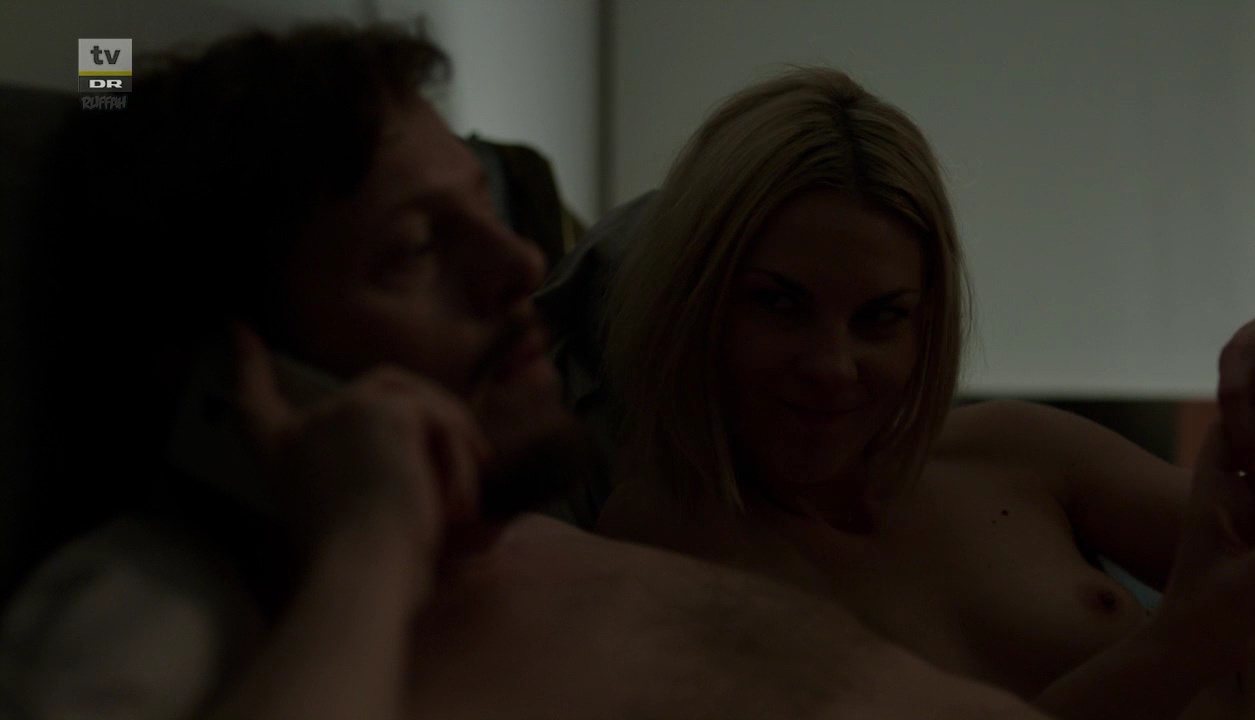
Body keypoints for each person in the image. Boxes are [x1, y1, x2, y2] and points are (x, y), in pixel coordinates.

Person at [0, 25, 1056, 720]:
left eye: (485, 209)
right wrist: (369, 542)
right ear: (232, 378)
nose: (517, 264)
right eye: (416, 248)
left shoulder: (528, 547)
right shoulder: (158, 617)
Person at [596, 67, 1255, 719]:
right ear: (696, 302)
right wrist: (1181, 648)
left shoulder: (1013, 448)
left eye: (880, 318)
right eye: (780, 305)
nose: (833, 367)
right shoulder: (659, 545)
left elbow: (1248, 563)